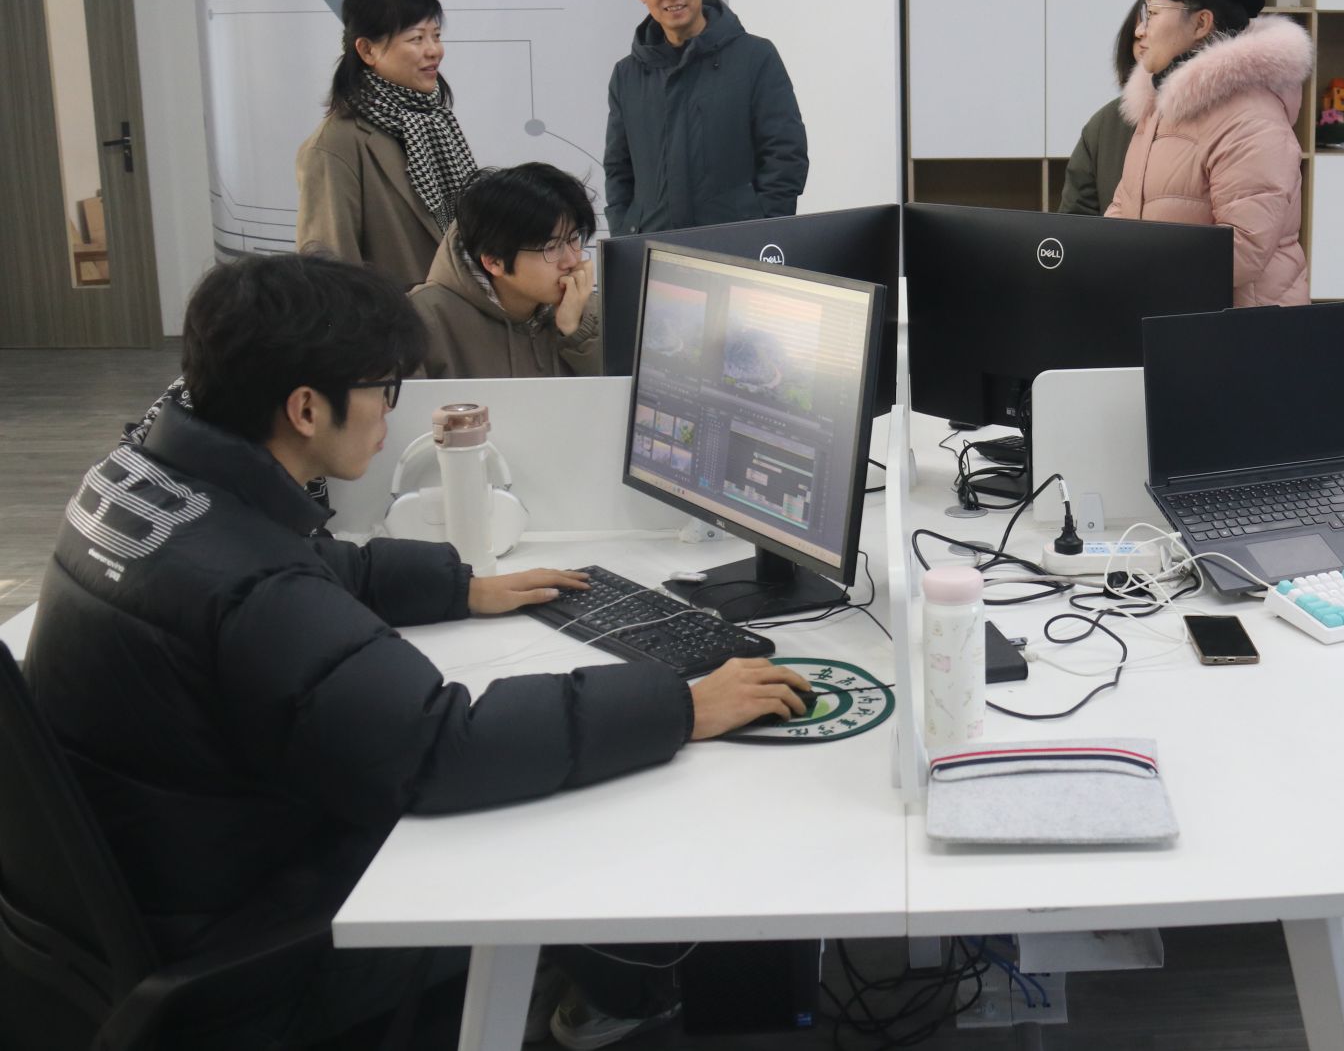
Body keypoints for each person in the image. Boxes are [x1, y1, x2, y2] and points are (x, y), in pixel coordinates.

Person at [26, 253, 810, 1049]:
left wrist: (459, 586)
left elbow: (293, 565)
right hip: (259, 955)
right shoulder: (255, 589)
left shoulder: (146, 479)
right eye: (382, 389)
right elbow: (443, 745)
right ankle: (633, 1005)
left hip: (154, 895)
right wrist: (680, 703)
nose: (389, 414)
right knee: (561, 812)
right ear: (306, 408)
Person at [1105, 0, 1313, 306]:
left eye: (1152, 12)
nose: (1140, 29)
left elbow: (1241, 249)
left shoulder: (1250, 117)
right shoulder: (1161, 105)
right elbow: (1125, 207)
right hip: (1177, 314)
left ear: (1201, 23)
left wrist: (1137, 272)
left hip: (1242, 328)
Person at [603, 0, 808, 235]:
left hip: (736, 245)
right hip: (653, 246)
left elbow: (785, 154)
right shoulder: (626, 75)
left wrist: (762, 228)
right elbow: (618, 169)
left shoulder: (755, 57)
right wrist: (624, 232)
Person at [297, 0, 479, 288]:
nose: (434, 50)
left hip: (457, 308)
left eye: (436, 36)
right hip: (398, 314)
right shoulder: (334, 146)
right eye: (417, 38)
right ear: (367, 50)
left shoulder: (435, 122)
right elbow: (330, 273)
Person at [411, 163, 603, 379]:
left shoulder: (589, 310)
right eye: (551, 247)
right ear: (494, 261)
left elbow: (622, 391)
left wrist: (577, 331)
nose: (571, 260)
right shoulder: (421, 320)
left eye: (574, 238)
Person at [1057, 0, 1143, 216]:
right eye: (1136, 38)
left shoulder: (1212, 118)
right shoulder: (1103, 126)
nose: (1143, 36)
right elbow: (1075, 221)